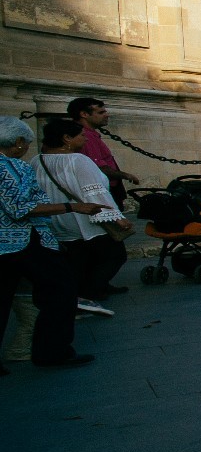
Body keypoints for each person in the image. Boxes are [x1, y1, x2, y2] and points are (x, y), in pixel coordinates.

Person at [0, 115, 105, 371]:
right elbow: (20, 208)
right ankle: (52, 351)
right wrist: (73, 207)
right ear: (18, 142)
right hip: (24, 240)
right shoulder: (15, 167)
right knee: (60, 289)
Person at [34, 118, 131, 312]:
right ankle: (86, 296)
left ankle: (73, 295)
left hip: (58, 216)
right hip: (85, 218)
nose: (85, 139)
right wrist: (117, 217)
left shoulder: (37, 160)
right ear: (66, 138)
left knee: (76, 260)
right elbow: (94, 191)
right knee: (114, 255)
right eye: (81, 135)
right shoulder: (79, 160)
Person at [68, 97, 140, 207]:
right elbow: (97, 167)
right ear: (84, 114)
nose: (106, 115)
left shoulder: (89, 135)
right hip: (101, 189)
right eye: (101, 112)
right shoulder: (86, 137)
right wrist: (126, 175)